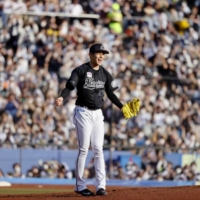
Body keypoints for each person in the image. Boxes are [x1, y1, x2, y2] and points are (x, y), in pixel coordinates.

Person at [55, 43, 140, 196]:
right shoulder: (80, 70)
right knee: (83, 149)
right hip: (83, 112)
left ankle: (101, 186)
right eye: (98, 53)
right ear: (90, 54)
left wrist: (122, 107)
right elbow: (70, 86)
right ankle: (80, 186)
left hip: (98, 114)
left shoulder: (105, 74)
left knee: (99, 149)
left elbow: (111, 94)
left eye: (103, 54)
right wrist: (62, 96)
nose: (101, 56)